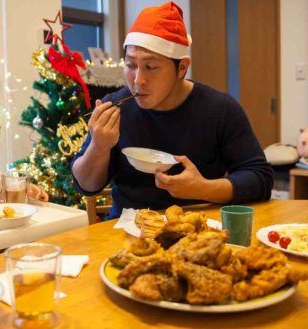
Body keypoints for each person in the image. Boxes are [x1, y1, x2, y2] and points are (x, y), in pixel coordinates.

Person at [71, 2, 273, 219]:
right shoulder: (115, 107)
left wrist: (204, 188)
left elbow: (260, 178)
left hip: (197, 233)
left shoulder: (220, 109)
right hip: (124, 231)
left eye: (151, 67)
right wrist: (99, 147)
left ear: (182, 68)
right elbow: (86, 185)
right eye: (130, 65)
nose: (138, 80)